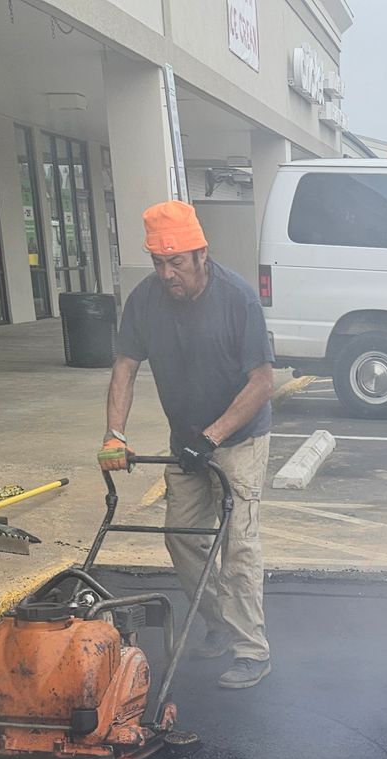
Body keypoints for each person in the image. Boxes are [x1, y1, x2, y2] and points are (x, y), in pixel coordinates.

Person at [100, 200, 274, 689]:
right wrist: (115, 432)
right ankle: (218, 623)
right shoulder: (145, 300)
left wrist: (213, 436)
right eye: (158, 262)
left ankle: (251, 650)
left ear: (201, 254)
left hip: (237, 440)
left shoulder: (237, 299)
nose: (167, 273)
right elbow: (125, 367)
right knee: (182, 539)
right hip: (186, 443)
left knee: (238, 544)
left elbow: (262, 382)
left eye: (176, 262)